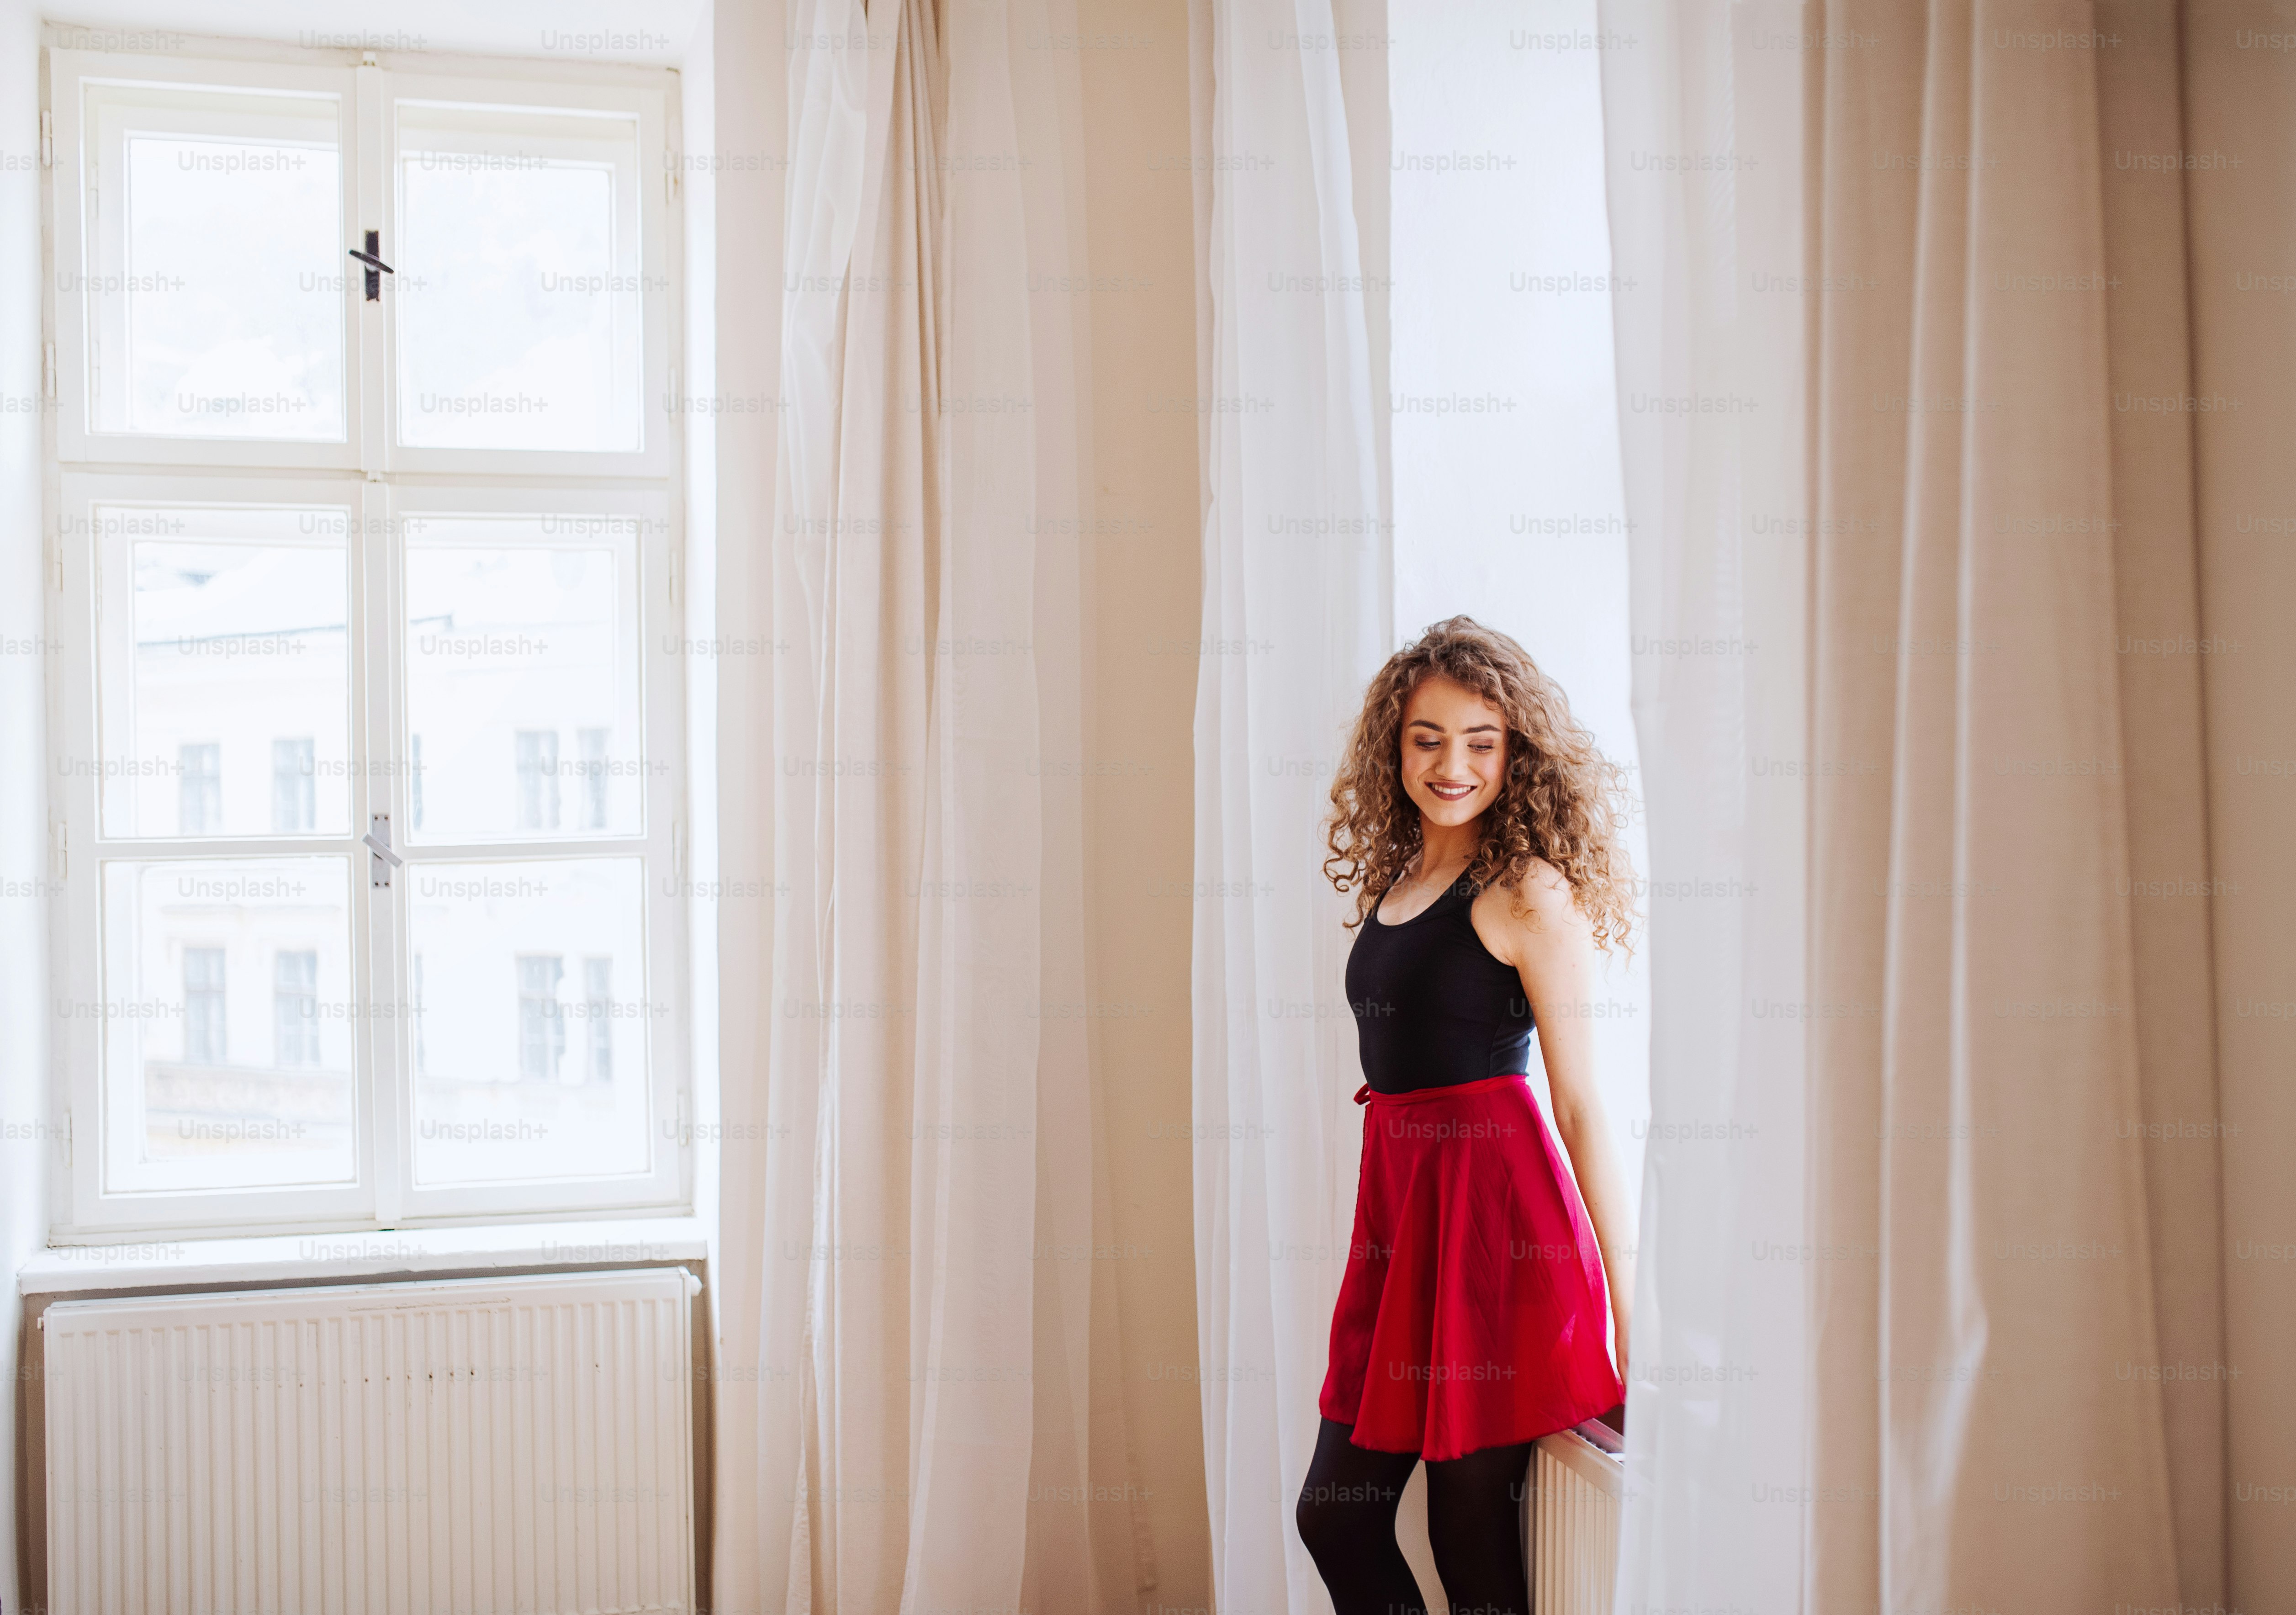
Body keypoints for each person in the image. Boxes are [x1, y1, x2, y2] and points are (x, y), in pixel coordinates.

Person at [1296, 615, 1637, 1615]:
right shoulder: (1403, 879)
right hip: (1402, 1221)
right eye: (1427, 738)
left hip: (1491, 1231)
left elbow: (1579, 1103)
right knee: (1337, 1515)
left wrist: (1630, 1309)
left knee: (1469, 1535)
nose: (1452, 764)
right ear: (1393, 746)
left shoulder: (1524, 889)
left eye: (1480, 742)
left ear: (1513, 754)